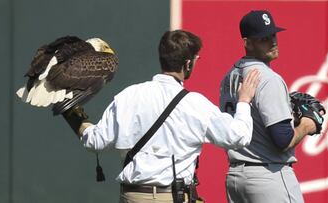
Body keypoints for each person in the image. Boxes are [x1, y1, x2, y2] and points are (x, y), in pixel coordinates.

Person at [62, 29, 260, 203]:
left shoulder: (129, 96)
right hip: (172, 197)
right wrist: (244, 101)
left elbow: (94, 141)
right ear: (188, 64)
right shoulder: (196, 104)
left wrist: (71, 112)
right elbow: (239, 136)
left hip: (133, 196)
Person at [219, 10, 321, 203]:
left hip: (235, 179)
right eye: (263, 38)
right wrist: (307, 124)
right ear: (247, 43)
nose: (273, 41)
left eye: (273, 34)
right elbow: (283, 140)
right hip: (268, 176)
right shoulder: (268, 78)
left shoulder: (229, 76)